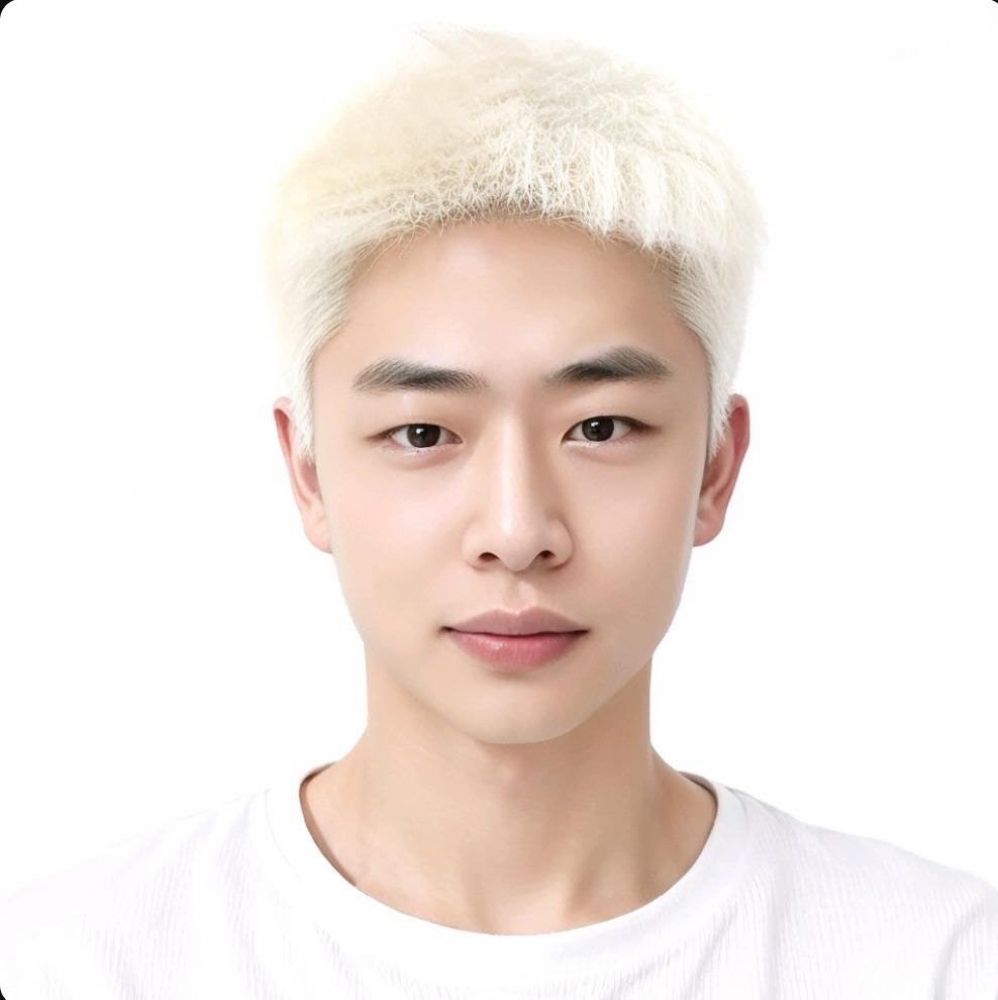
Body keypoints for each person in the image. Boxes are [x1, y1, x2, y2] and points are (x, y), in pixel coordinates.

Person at [1, 22, 995, 999]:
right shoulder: (78, 966)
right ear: (307, 472)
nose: (517, 532)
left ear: (714, 468)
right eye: (423, 433)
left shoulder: (936, 961)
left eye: (600, 427)